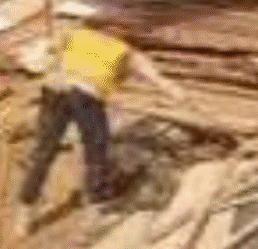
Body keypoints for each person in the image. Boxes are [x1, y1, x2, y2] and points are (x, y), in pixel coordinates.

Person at [14, 25, 188, 238]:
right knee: (96, 153)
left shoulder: (77, 33)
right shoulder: (126, 51)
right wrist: (174, 91)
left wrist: (51, 66)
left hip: (55, 91)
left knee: (44, 152)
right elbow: (155, 77)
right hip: (85, 96)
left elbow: (44, 54)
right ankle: (95, 211)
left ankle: (24, 212)